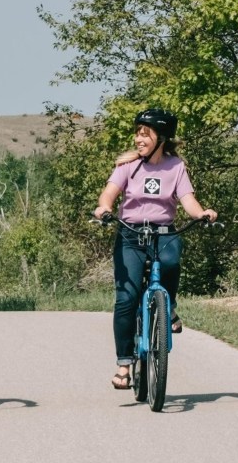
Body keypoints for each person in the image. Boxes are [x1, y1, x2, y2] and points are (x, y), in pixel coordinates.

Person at [93, 108, 217, 390]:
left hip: (163, 232)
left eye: (144, 134)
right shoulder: (128, 165)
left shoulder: (176, 167)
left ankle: (168, 307)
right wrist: (104, 208)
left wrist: (202, 214)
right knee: (127, 298)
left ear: (161, 138)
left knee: (171, 263)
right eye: (137, 133)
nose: (138, 139)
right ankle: (124, 365)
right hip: (131, 234)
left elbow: (188, 200)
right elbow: (109, 193)